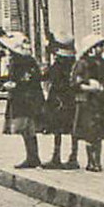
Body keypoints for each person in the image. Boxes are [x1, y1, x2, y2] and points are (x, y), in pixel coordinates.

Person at [71, 34, 104, 171]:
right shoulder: (82, 63)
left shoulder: (103, 63)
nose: (101, 49)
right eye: (99, 46)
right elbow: (75, 83)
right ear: (91, 48)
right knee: (89, 131)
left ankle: (97, 161)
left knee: (98, 131)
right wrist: (89, 87)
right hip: (86, 101)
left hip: (100, 100)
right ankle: (91, 162)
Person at [0, 30, 43, 168]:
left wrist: (13, 85)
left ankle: (32, 157)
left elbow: (27, 79)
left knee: (26, 127)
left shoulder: (21, 61)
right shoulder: (24, 59)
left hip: (25, 98)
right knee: (27, 129)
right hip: (25, 96)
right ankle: (32, 156)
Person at [42, 36, 79, 168]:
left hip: (60, 99)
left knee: (58, 129)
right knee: (71, 129)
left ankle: (59, 157)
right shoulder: (72, 62)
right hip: (68, 98)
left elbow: (49, 77)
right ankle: (72, 156)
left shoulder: (59, 64)